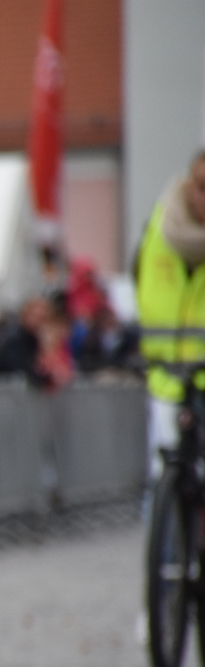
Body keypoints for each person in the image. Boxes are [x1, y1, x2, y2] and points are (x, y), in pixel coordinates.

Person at [134, 150, 205, 477]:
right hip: (164, 377)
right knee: (162, 475)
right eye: (201, 186)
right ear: (188, 185)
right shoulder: (158, 227)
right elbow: (139, 284)